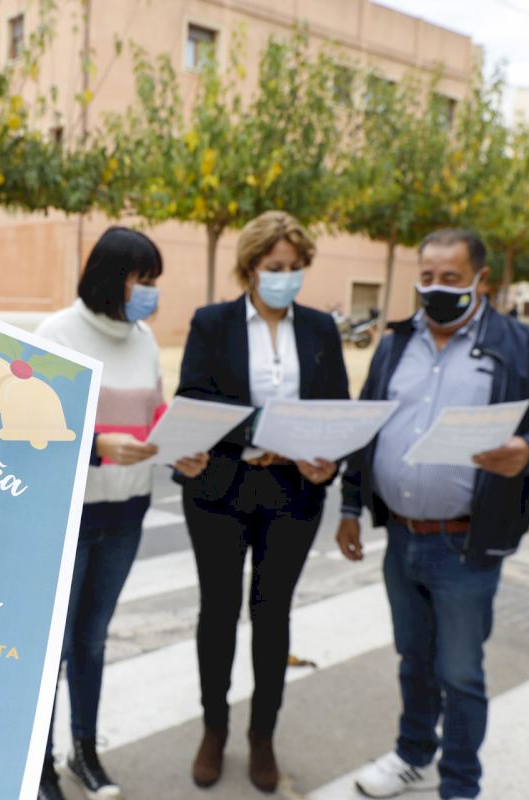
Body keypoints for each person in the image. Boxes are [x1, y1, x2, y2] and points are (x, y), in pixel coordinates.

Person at [335, 229, 529, 800]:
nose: (436, 288)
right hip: (401, 538)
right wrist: (351, 505)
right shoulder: (396, 344)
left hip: (466, 547)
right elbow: (367, 427)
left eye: (451, 278)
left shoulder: (525, 348)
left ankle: (460, 786)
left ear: (481, 279)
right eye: (427, 277)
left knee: (461, 674)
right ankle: (413, 755)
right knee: (413, 659)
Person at [176, 210, 349, 793]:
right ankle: (214, 728)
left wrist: (328, 458)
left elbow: (336, 406)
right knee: (218, 614)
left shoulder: (320, 329)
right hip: (220, 490)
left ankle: (262, 735)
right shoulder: (212, 323)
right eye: (276, 266)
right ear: (251, 267)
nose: (287, 277)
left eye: (296, 267)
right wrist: (264, 429)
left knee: (273, 617)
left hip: (292, 493)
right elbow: (194, 399)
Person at [34, 227, 209, 800]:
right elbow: (34, 425)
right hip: (73, 516)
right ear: (112, 277)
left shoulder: (144, 339)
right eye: (144, 279)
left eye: (156, 280)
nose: (151, 291)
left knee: (92, 641)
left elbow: (155, 414)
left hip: (127, 512)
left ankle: (85, 753)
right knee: (55, 649)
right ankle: (39, 767)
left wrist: (181, 446)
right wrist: (96, 446)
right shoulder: (57, 334)